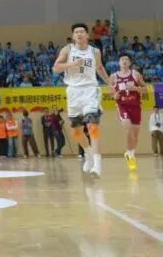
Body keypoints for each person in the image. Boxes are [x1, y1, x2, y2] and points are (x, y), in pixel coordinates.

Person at [52, 23, 112, 176]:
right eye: (76, 32)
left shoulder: (95, 51)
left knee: (93, 126)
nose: (79, 34)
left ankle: (97, 164)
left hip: (90, 90)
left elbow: (99, 68)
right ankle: (88, 153)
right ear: (73, 36)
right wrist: (72, 64)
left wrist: (110, 83)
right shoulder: (67, 50)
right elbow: (56, 68)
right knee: (77, 132)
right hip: (73, 92)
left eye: (82, 31)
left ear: (87, 35)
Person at [112, 55, 146, 170]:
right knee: (128, 128)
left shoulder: (136, 74)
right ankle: (131, 156)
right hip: (122, 106)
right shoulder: (114, 76)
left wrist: (135, 88)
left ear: (130, 62)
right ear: (119, 62)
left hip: (136, 106)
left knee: (135, 136)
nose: (124, 61)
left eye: (126, 59)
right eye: (122, 59)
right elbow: (112, 93)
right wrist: (115, 96)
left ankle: (130, 153)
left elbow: (145, 89)